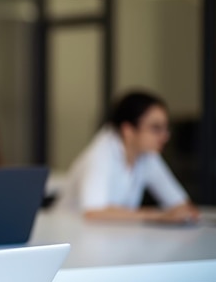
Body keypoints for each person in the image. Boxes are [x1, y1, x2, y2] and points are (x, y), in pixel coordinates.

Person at [59, 90, 199, 223]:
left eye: (165, 128)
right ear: (128, 130)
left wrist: (182, 213)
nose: (165, 136)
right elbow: (94, 212)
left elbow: (179, 202)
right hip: (72, 236)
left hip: (112, 237)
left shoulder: (147, 155)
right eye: (156, 128)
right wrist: (159, 216)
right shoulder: (101, 153)